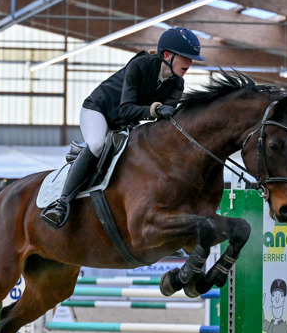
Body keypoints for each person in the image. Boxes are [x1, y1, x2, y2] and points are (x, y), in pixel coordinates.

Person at [40, 26, 205, 229]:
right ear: (167, 55)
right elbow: (126, 108)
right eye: (185, 57)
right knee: (98, 144)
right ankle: (61, 203)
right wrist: (156, 109)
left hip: (125, 123)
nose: (190, 63)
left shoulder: (177, 84)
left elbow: (164, 121)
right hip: (99, 110)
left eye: (191, 59)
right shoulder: (140, 65)